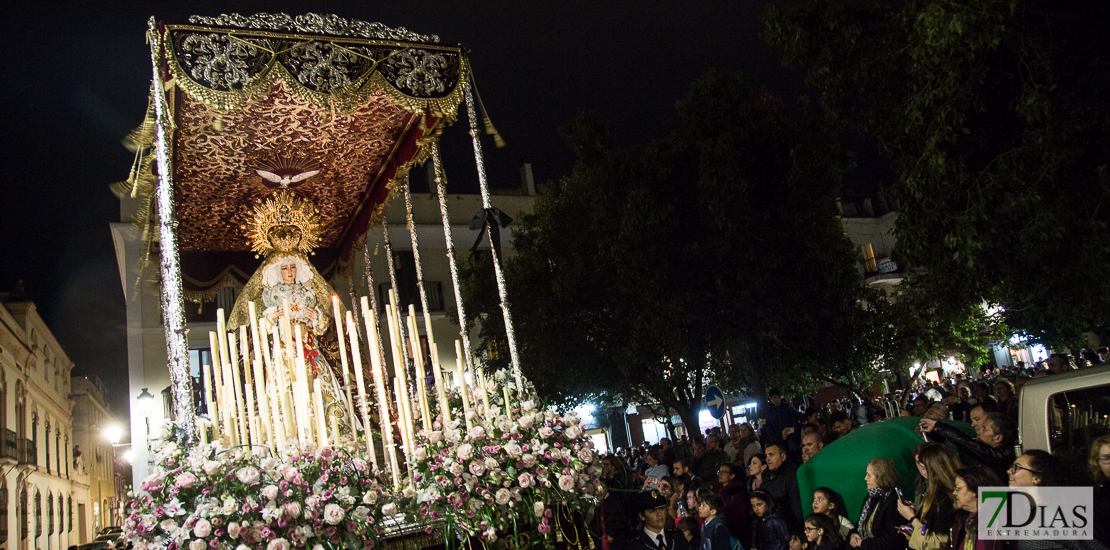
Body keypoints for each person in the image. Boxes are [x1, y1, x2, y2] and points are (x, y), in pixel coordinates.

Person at [898, 443, 960, 550]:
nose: (922, 471)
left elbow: (937, 543)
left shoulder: (943, 498)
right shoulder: (934, 493)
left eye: (923, 466)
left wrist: (912, 518)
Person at [918, 413, 1016, 481]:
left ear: (998, 438)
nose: (978, 431)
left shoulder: (1001, 457)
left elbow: (967, 443)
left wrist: (939, 427)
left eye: (984, 429)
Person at [848, 458, 909, 549]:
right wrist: (852, 535)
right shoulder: (870, 497)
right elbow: (860, 524)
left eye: (869, 475)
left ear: (880, 477)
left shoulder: (892, 501)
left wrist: (864, 543)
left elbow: (891, 540)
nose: (865, 478)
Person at [950, 466, 1013, 550]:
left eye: (958, 488)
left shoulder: (999, 521)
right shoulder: (961, 522)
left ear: (974, 491)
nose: (954, 493)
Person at [628, 489, 693, 550]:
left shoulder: (677, 537)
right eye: (652, 511)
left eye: (661, 508)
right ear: (642, 516)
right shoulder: (635, 544)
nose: (659, 514)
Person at [762, 443, 804, 529]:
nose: (767, 459)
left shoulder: (792, 475)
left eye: (771, 455)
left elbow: (796, 505)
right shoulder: (767, 477)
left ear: (783, 456)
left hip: (788, 526)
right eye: (766, 455)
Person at [715, 462, 750, 543]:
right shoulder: (717, 489)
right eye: (719, 472)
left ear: (732, 476)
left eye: (723, 472)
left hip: (733, 528)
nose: (720, 474)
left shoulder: (737, 490)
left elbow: (738, 513)